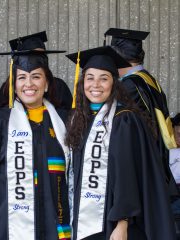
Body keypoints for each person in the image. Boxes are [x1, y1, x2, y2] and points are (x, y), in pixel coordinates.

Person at [65, 46, 176, 240]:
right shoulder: (79, 119)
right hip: (81, 218)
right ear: (82, 83)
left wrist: (122, 223)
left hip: (112, 219)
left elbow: (128, 176)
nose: (96, 85)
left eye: (104, 78)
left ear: (114, 84)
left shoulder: (124, 119)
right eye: (90, 78)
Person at [0, 44, 71, 240]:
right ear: (14, 85)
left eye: (36, 76)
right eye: (22, 77)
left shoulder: (65, 121)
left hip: (56, 220)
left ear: (47, 83)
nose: (29, 84)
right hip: (10, 223)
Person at [104, 28, 177, 193]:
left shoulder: (130, 86)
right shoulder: (148, 79)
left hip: (141, 163)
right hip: (157, 155)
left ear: (117, 58)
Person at [0, 31, 72, 109]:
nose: (38, 59)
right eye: (22, 77)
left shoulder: (59, 86)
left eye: (42, 55)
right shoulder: (9, 86)